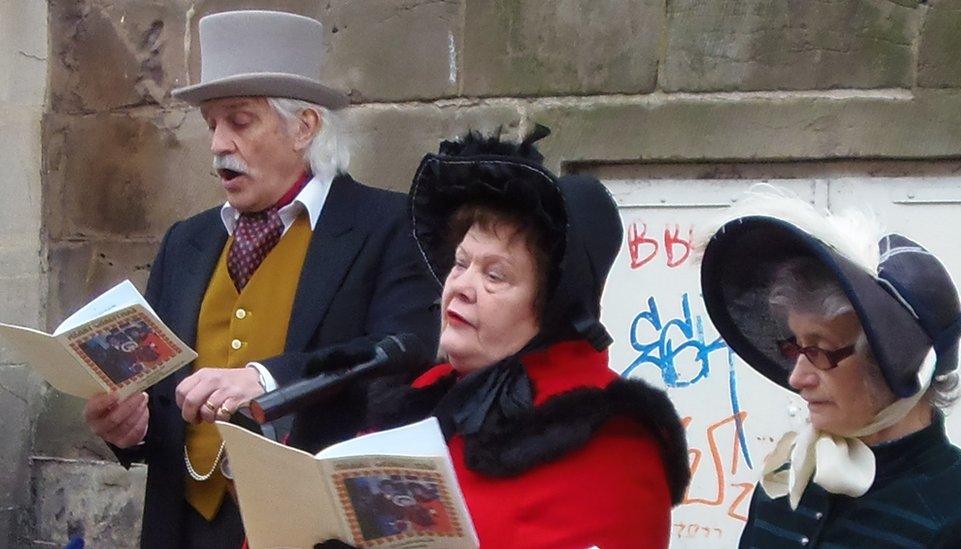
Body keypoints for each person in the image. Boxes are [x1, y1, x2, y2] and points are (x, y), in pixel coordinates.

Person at [79, 10, 439, 549]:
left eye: (239, 121)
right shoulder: (186, 241)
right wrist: (128, 429)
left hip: (312, 530)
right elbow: (158, 400)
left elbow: (408, 355)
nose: (218, 143)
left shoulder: (388, 226)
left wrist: (267, 378)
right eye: (211, 125)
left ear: (304, 126)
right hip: (185, 527)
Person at [298, 128, 690, 548]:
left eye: (495, 275)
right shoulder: (422, 396)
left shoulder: (610, 439)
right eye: (460, 263)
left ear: (552, 306)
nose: (461, 286)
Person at [697, 188, 961, 548]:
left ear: (895, 362)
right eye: (795, 347)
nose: (797, 378)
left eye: (820, 350)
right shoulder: (791, 476)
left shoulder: (953, 517)